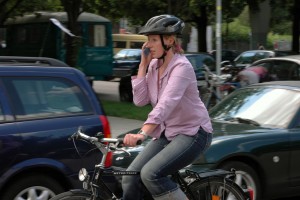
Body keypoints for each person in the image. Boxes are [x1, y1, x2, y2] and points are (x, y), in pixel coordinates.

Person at [122, 14, 213, 200]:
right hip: (169, 132)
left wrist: (143, 133)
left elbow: (166, 104)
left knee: (151, 174)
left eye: (154, 39)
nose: (148, 45)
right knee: (130, 176)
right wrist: (143, 65)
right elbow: (140, 100)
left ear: (169, 40)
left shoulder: (182, 67)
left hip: (193, 133)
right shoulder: (154, 66)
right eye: (148, 40)